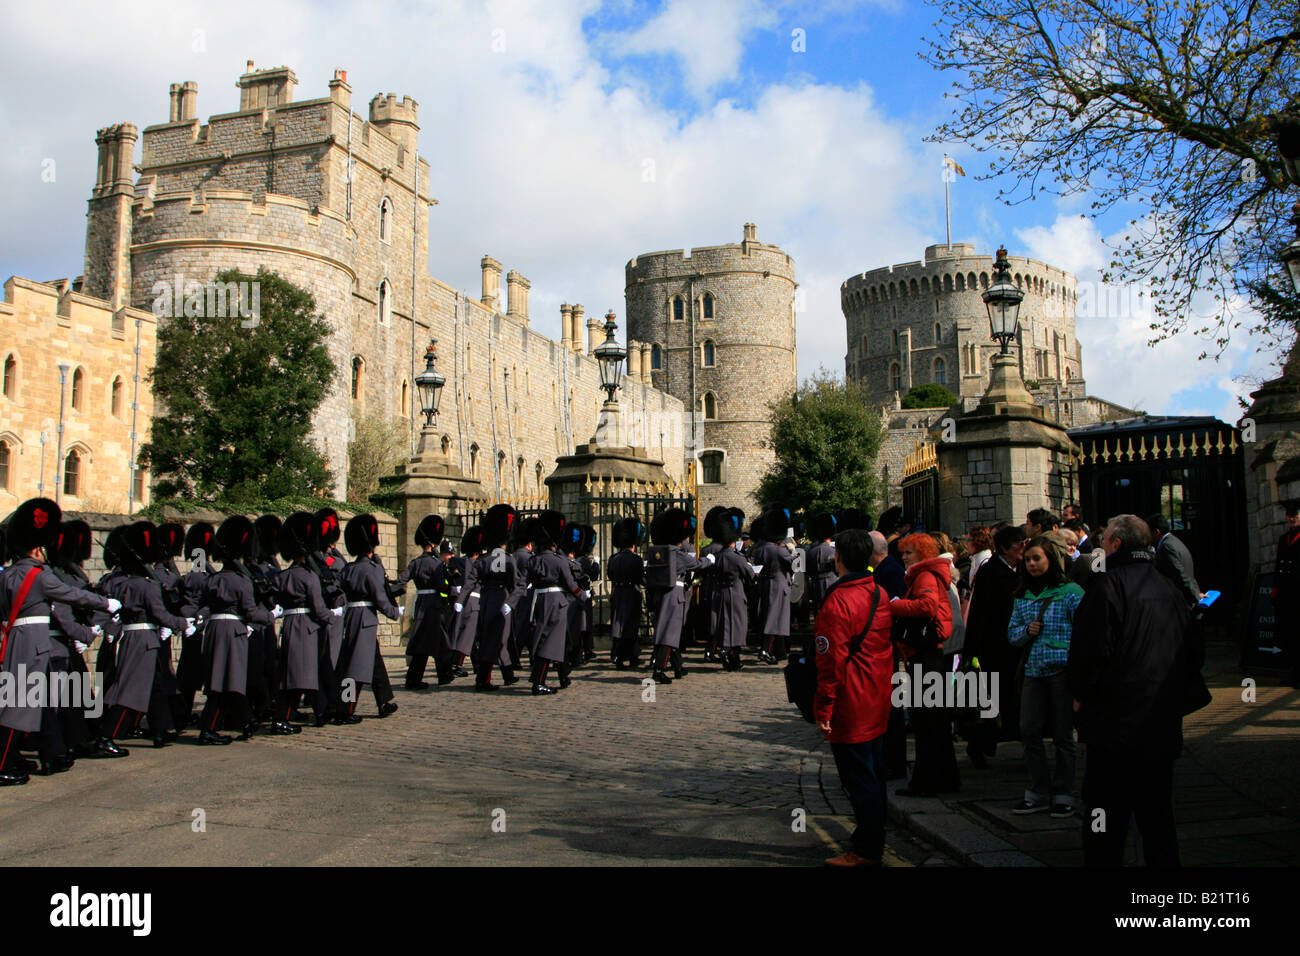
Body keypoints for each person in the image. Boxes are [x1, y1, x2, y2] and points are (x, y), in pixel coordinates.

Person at [1069, 514, 1198, 867]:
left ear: (1117, 545)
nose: (1101, 546)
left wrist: (1080, 696)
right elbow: (1192, 652)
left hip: (1115, 727)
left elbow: (1089, 652)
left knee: (1104, 817)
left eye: (1105, 540)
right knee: (1157, 816)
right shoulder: (1170, 588)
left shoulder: (1107, 586)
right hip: (1161, 723)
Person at [0, 499, 121, 783]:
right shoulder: (38, 575)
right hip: (34, 643)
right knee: (19, 706)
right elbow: (72, 595)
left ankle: (36, 755)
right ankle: (4, 765)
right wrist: (107, 603)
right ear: (38, 548)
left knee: (25, 702)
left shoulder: (9, 575)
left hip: (15, 639)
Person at [814, 528, 895, 867]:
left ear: (839, 559)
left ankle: (866, 849)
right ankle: (871, 837)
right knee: (874, 775)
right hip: (877, 694)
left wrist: (824, 707)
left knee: (858, 779)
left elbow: (831, 663)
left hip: (852, 700)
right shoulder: (878, 592)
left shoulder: (839, 601)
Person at [1006, 536, 1083, 817]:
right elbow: (1012, 635)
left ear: (1050, 559)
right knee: (1029, 731)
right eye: (1027, 560)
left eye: (1037, 558)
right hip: (1033, 672)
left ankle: (1064, 792)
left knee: (1063, 735)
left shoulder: (1071, 592)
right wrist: (1027, 632)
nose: (1032, 564)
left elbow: (1086, 633)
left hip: (1061, 672)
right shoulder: (1022, 596)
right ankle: (1038, 789)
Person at [889, 532, 959, 796]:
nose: (904, 557)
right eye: (904, 553)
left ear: (922, 554)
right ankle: (945, 777)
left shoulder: (925, 575)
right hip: (930, 653)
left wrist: (893, 605)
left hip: (926, 653)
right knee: (935, 720)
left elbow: (927, 607)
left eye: (909, 553)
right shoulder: (926, 574)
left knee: (927, 721)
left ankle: (927, 780)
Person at [197, 516, 275, 743]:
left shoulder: (213, 579)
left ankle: (246, 720)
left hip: (215, 631)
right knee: (226, 681)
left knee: (225, 681)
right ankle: (208, 729)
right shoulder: (241, 581)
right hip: (233, 633)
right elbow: (250, 611)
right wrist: (271, 615)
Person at [961, 524, 1027, 766]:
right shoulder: (992, 572)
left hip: (1013, 644)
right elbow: (980, 613)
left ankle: (996, 741)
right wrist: (972, 651)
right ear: (1004, 549)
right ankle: (980, 743)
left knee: (1010, 699)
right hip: (994, 647)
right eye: (1018, 543)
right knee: (993, 700)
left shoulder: (1019, 570)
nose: (1022, 548)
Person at [275, 512, 340, 728]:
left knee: (294, 675)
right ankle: (288, 718)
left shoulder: (283, 575)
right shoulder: (310, 577)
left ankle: (317, 711)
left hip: (290, 625)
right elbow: (318, 608)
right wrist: (333, 616)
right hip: (308, 628)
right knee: (305, 675)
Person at [336, 514, 403, 718]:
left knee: (374, 662)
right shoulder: (371, 569)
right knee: (356, 666)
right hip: (365, 618)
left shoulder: (349, 568)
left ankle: (384, 702)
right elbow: (380, 598)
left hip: (353, 616)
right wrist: (394, 612)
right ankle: (345, 710)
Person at [645, 508, 711, 683]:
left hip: (661, 593)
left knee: (668, 630)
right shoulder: (676, 553)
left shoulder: (659, 551)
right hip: (674, 595)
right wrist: (710, 559)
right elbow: (698, 564)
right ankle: (659, 669)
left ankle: (678, 666)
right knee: (669, 632)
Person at [527, 510, 584, 695]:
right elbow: (571, 585)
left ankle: (562, 676)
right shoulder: (559, 561)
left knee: (546, 640)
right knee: (551, 644)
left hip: (539, 600)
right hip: (556, 603)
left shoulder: (534, 560)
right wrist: (584, 596)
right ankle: (539, 682)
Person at [470, 505, 523, 692]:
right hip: (501, 599)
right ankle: (483, 680)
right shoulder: (507, 559)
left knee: (492, 639)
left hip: (484, 600)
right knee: (496, 640)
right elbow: (517, 583)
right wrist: (511, 603)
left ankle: (507, 675)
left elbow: (471, 581)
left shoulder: (483, 560)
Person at [395, 514, 450, 688]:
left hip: (420, 604)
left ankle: (414, 678)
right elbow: (442, 586)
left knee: (421, 642)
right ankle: (444, 674)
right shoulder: (437, 564)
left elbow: (401, 582)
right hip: (434, 605)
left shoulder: (415, 563)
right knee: (441, 641)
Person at [709, 510, 755, 672]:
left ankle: (728, 653)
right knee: (737, 626)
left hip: (721, 593)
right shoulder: (736, 557)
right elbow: (749, 574)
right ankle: (731, 655)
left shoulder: (718, 555)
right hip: (735, 593)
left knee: (724, 625)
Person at [751, 507, 795, 664]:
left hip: (765, 584)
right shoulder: (779, 551)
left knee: (767, 616)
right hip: (779, 585)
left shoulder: (761, 548)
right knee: (775, 619)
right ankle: (766, 650)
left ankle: (774, 650)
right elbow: (796, 566)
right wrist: (793, 551)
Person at [607, 517, 645, 670]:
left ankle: (617, 655)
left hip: (617, 592)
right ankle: (633, 656)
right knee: (631, 625)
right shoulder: (636, 559)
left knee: (618, 624)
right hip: (631, 592)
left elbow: (610, 575)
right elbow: (641, 578)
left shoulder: (613, 558)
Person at [1145, 513, 1204, 609]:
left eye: (1148, 533)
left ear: (1157, 532)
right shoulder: (1174, 541)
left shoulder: (1166, 546)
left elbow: (1180, 574)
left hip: (1181, 604)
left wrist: (1196, 596)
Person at [1273, 502, 1300, 688]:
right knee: (1290, 635)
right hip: (1286, 595)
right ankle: (1294, 672)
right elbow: (1278, 567)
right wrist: (1275, 590)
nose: (1292, 519)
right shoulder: (1284, 539)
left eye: (1295, 516)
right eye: (1290, 516)